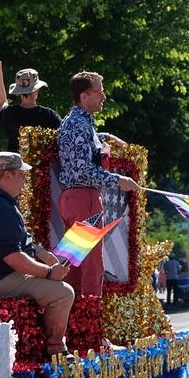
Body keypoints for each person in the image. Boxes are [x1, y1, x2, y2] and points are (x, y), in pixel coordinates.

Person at [0, 152, 75, 357]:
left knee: (57, 288)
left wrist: (41, 253)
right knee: (63, 292)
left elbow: (19, 240)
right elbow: (13, 257)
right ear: (7, 175)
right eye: (20, 174)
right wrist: (49, 273)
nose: (24, 179)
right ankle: (55, 349)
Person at [57, 71, 140, 297]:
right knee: (92, 265)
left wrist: (105, 136)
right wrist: (118, 180)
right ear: (84, 96)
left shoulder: (79, 123)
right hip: (85, 199)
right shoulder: (78, 124)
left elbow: (83, 149)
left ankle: (75, 322)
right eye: (99, 92)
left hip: (78, 198)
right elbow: (84, 169)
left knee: (75, 264)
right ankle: (90, 327)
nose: (103, 97)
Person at [0, 63, 62, 152]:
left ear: (19, 92)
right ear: (37, 89)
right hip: (43, 166)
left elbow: (2, 102)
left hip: (15, 166)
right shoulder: (48, 115)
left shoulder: (10, 114)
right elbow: (65, 136)